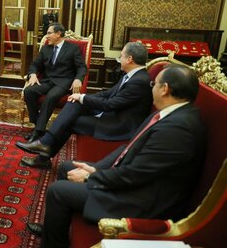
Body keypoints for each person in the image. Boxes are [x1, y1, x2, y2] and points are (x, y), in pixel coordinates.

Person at [26, 64, 206, 248]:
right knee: (67, 168)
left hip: (142, 201)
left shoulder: (178, 129)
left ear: (165, 89)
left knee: (58, 191)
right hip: (137, 182)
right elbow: (128, 148)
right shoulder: (171, 114)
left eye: (154, 84)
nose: (151, 87)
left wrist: (91, 176)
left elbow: (135, 175)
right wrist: (96, 168)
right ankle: (54, 230)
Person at [17, 41, 152, 169]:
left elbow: (111, 104)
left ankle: (44, 150)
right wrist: (82, 98)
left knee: (72, 119)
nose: (119, 58)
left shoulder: (139, 81)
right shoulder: (133, 76)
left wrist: (83, 98)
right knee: (75, 104)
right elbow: (107, 94)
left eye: (121, 56)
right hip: (113, 115)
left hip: (119, 126)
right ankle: (44, 146)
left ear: (129, 59)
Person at [23, 23, 87, 143]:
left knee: (51, 97)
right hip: (47, 81)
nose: (46, 36)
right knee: (28, 91)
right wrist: (32, 74)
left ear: (58, 34)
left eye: (49, 33)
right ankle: (38, 125)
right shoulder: (46, 48)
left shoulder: (72, 49)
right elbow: (35, 65)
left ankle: (37, 131)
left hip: (64, 82)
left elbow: (82, 67)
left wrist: (78, 79)